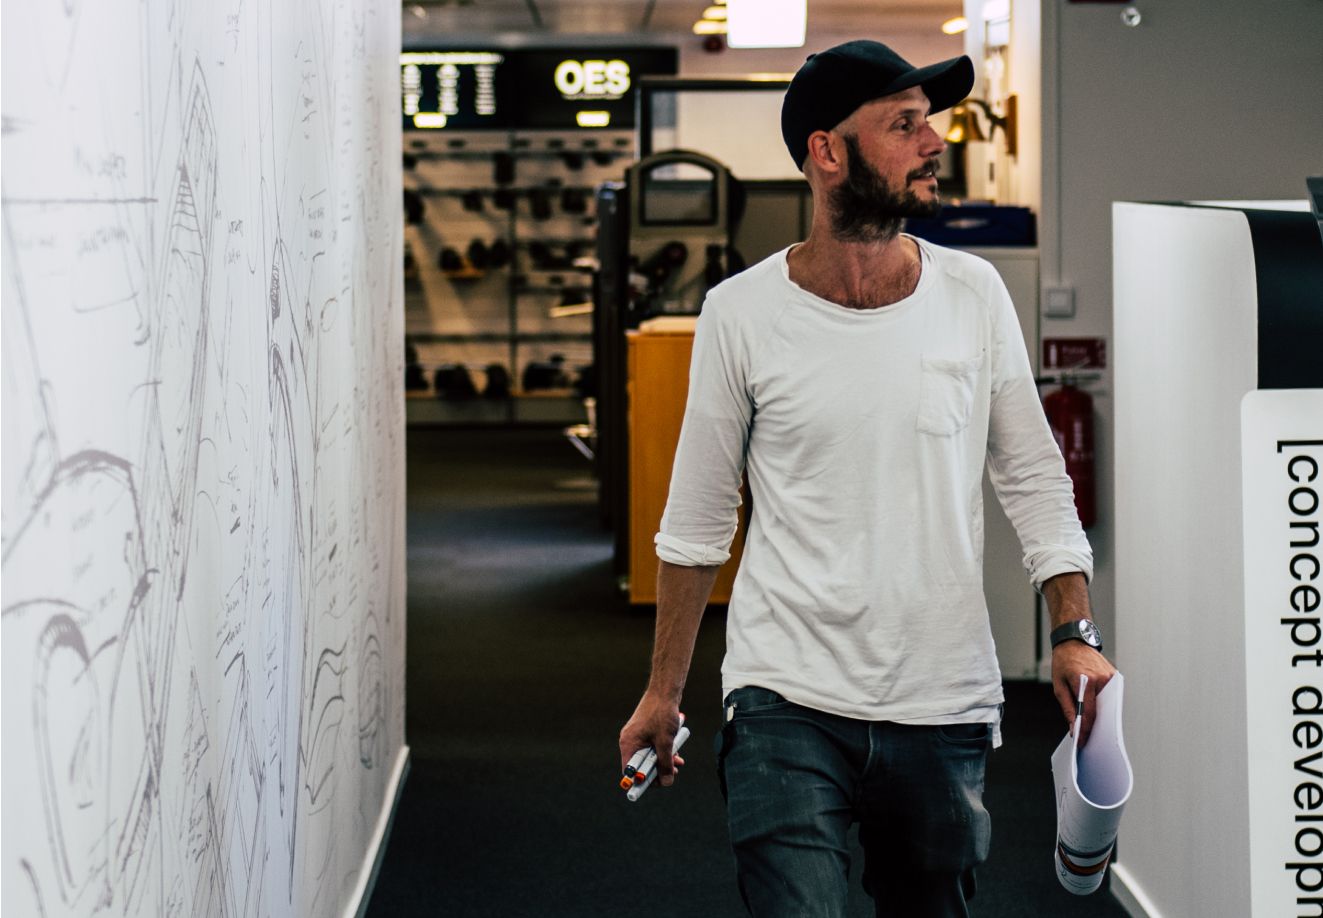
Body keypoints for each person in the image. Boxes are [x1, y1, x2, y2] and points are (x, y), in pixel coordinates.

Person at [617, 39, 1116, 917]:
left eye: (928, 123)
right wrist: (663, 690)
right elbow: (696, 523)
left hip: (940, 695)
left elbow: (1034, 478)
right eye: (903, 125)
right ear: (826, 152)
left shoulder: (974, 294)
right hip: (783, 695)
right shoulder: (740, 313)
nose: (932, 144)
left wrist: (1073, 629)